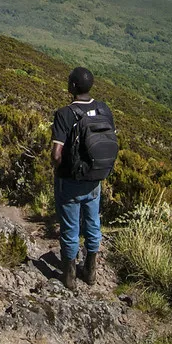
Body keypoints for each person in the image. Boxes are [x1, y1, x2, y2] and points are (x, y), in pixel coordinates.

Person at [50, 66, 115, 290]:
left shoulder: (64, 114)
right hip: (95, 179)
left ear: (74, 86)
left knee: (70, 228)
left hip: (69, 181)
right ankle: (90, 271)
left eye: (69, 81)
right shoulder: (104, 109)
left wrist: (57, 170)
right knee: (92, 223)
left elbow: (56, 154)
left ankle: (69, 276)